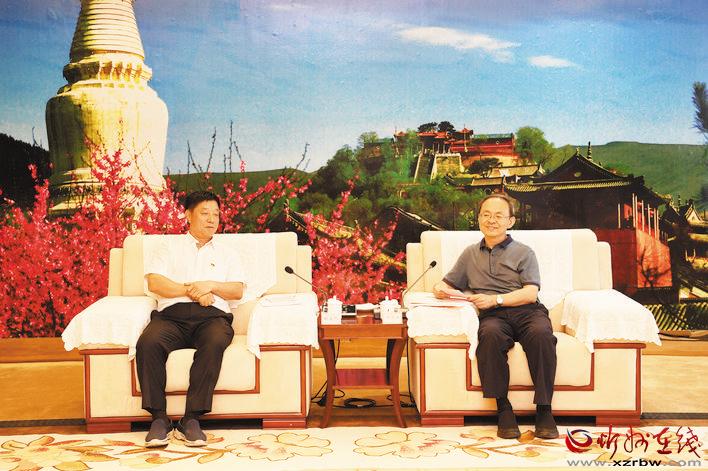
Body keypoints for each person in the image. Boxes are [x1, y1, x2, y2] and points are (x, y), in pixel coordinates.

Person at [433, 194, 558, 439]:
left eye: (499, 216)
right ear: (479, 218)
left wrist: (495, 299)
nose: (492, 220)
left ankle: (544, 409)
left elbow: (531, 293)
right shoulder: (469, 254)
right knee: (489, 336)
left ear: (510, 221)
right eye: (486, 215)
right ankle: (503, 409)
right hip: (493, 317)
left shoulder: (524, 252)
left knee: (542, 335)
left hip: (527, 311)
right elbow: (448, 283)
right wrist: (439, 288)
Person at [137, 191, 246, 447]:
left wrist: (211, 285)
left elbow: (237, 290)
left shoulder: (228, 253)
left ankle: (191, 419)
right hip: (171, 317)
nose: (211, 219)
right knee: (148, 342)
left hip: (212, 318)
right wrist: (193, 291)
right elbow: (155, 283)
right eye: (205, 213)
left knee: (216, 340)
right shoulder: (168, 247)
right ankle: (159, 419)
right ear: (188, 215)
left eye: (216, 214)